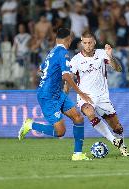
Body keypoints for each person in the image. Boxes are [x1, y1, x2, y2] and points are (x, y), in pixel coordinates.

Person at [18, 28, 92, 161]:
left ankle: (77, 154)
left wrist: (55, 81)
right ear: (68, 39)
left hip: (57, 93)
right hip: (48, 96)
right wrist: (80, 92)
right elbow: (66, 75)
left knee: (78, 118)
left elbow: (41, 69)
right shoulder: (63, 52)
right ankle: (30, 125)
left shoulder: (52, 52)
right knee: (60, 132)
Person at [69, 31, 129, 156]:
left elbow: (118, 69)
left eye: (90, 43)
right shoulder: (76, 60)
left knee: (117, 127)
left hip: (102, 97)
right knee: (90, 113)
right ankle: (114, 140)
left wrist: (110, 56)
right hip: (85, 97)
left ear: (94, 42)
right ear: (81, 43)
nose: (87, 45)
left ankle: (122, 145)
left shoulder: (102, 54)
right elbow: (69, 79)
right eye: (85, 43)